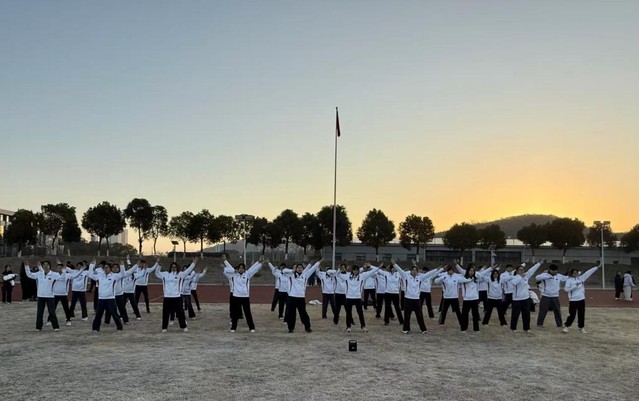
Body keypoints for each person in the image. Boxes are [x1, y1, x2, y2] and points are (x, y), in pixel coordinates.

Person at [393, 261, 441, 334]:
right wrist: (394, 264)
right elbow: (400, 270)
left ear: (417, 271)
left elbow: (428, 274)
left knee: (419, 315)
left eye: (416, 270)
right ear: (411, 271)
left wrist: (436, 269)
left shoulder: (420, 277)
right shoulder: (406, 276)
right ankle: (406, 329)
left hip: (416, 299)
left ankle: (423, 329)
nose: (414, 271)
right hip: (408, 299)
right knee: (407, 315)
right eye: (413, 270)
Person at [334, 262, 379, 333]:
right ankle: (348, 327)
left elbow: (373, 271)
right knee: (348, 313)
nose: (355, 271)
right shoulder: (347, 276)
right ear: (352, 270)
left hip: (357, 298)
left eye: (356, 270)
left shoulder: (362, 276)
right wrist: (340, 269)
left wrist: (372, 266)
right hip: (349, 298)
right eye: (354, 270)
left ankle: (363, 326)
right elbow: (337, 275)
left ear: (358, 271)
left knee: (360, 313)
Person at [156, 257, 197, 333]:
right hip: (167, 297)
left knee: (180, 312)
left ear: (177, 267)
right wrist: (158, 264)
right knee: (165, 313)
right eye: (172, 267)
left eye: (175, 267)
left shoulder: (181, 274)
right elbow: (157, 273)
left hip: (177, 296)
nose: (173, 268)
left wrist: (193, 263)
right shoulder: (165, 274)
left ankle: (183, 326)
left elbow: (188, 271)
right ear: (170, 267)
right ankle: (164, 327)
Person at [223, 257, 264, 332]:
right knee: (235, 313)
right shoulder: (233, 275)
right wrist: (233, 270)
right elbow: (225, 271)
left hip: (245, 296)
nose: (241, 269)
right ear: (237, 269)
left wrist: (260, 263)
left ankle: (251, 327)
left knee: (247, 313)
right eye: (240, 268)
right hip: (236, 296)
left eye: (242, 268)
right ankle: (233, 327)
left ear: (244, 269)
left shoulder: (247, 274)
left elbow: (254, 269)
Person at [282, 260, 321, 333]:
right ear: (296, 269)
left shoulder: (305, 275)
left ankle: (307, 327)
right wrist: (292, 271)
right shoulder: (290, 275)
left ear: (303, 269)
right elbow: (283, 270)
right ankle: (290, 328)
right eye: (298, 268)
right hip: (292, 297)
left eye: (301, 268)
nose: (299, 269)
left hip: (301, 298)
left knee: (303, 314)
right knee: (291, 314)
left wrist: (318, 262)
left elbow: (313, 269)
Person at [87, 260, 126, 332]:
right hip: (101, 298)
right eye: (104, 268)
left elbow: (123, 275)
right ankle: (95, 328)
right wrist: (91, 265)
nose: (105, 269)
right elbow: (90, 275)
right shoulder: (99, 276)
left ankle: (119, 327)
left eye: (107, 267)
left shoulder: (114, 276)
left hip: (110, 298)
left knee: (114, 313)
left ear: (110, 268)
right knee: (98, 314)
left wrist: (122, 266)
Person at [562, 264, 601, 333]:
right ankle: (566, 326)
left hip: (581, 299)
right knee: (572, 314)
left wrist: (596, 267)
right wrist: (575, 286)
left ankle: (581, 327)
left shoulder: (581, 278)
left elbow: (588, 273)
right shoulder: (569, 280)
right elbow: (566, 289)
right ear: (571, 273)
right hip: (573, 300)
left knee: (581, 314)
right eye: (574, 273)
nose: (575, 274)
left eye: (576, 273)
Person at [24, 261, 61, 331]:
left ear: (50, 266)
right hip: (41, 296)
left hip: (50, 296)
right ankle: (39, 327)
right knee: (40, 312)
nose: (45, 266)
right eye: (44, 265)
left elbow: (61, 279)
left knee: (52, 312)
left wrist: (62, 270)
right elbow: (29, 274)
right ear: (42, 266)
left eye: (47, 265)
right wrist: (26, 267)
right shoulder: (39, 274)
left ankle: (56, 326)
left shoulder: (54, 274)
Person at [509, 261, 543, 333]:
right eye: (520, 270)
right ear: (517, 271)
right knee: (515, 314)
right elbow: (514, 283)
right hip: (517, 299)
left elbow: (532, 270)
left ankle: (526, 328)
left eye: (523, 270)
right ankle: (513, 328)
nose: (522, 271)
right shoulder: (514, 277)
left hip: (525, 298)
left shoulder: (526, 276)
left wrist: (539, 264)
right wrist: (520, 276)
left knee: (526, 314)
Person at [457, 265, 492, 332]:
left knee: (475, 315)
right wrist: (456, 265)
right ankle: (463, 328)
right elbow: (460, 275)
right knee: (464, 315)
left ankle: (476, 329)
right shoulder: (463, 278)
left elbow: (483, 273)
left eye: (473, 271)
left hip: (474, 298)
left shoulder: (476, 279)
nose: (471, 272)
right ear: (468, 271)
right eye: (470, 270)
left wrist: (491, 268)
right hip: (466, 299)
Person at [48, 261, 84, 326]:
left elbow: (76, 275)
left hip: (63, 294)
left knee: (66, 308)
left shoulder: (68, 275)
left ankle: (68, 319)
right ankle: (50, 319)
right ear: (56, 269)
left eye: (61, 268)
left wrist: (81, 270)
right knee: (53, 308)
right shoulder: (54, 275)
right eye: (58, 268)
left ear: (63, 269)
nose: (59, 269)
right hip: (55, 294)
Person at [535, 264, 567, 329]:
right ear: (549, 269)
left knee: (557, 310)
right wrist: (547, 276)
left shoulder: (559, 276)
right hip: (545, 295)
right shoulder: (545, 275)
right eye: (552, 270)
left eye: (555, 270)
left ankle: (559, 324)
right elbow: (537, 278)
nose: (554, 271)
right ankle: (540, 323)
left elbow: (566, 278)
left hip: (555, 296)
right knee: (543, 310)